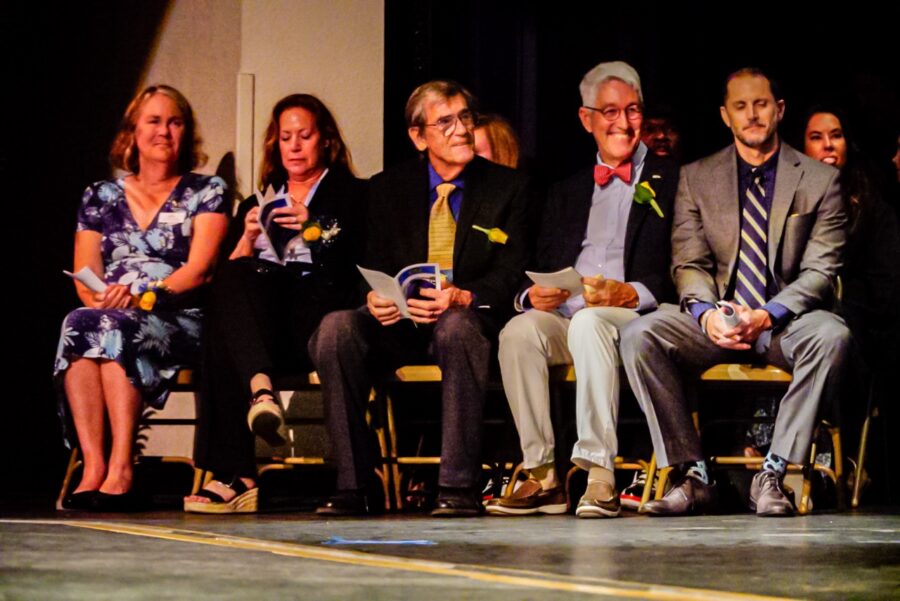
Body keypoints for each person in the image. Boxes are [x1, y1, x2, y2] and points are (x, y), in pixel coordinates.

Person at [620, 68, 851, 517]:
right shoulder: (696, 177)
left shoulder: (821, 180)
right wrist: (707, 314)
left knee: (833, 334)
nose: (752, 114)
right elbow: (689, 263)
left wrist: (765, 315)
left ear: (779, 110)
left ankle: (775, 472)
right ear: (725, 116)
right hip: (717, 324)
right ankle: (693, 473)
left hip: (784, 325)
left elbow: (821, 271)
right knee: (640, 335)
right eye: (741, 106)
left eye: (761, 104)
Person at [309, 80, 534, 516]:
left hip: (464, 317)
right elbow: (362, 267)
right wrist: (373, 297)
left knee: (457, 329)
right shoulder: (387, 189)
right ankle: (355, 485)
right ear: (418, 136)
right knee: (336, 329)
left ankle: (457, 488)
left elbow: (513, 270)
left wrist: (466, 295)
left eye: (465, 118)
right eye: (445, 122)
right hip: (400, 320)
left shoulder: (509, 188)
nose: (461, 130)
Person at [486, 61, 677, 518]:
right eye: (609, 111)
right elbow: (530, 263)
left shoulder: (673, 181)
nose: (623, 122)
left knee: (590, 322)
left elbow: (683, 265)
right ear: (586, 118)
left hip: (634, 317)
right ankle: (542, 474)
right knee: (519, 331)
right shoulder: (563, 191)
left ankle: (599, 473)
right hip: (569, 314)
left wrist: (627, 293)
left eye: (631, 110)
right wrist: (531, 296)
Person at [184, 94, 365, 514]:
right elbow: (226, 279)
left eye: (305, 135)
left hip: (314, 320)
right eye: (286, 137)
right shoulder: (256, 202)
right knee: (230, 287)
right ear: (275, 143)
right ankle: (261, 394)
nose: (295, 146)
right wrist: (247, 238)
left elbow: (355, 270)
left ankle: (234, 475)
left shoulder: (353, 195)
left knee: (226, 330)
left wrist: (313, 229)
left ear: (326, 142)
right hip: (262, 330)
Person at [54, 84, 229, 511]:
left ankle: (122, 468)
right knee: (79, 322)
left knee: (113, 327)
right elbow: (86, 273)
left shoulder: (207, 191)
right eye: (154, 121)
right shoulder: (100, 195)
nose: (164, 131)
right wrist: (103, 299)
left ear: (186, 132)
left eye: (175, 122)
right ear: (133, 131)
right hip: (111, 309)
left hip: (178, 313)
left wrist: (144, 296)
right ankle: (93, 467)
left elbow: (199, 270)